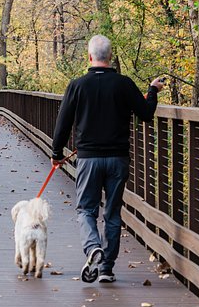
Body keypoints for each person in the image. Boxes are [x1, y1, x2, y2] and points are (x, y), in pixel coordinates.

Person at [51, 35, 164, 284]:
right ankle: (106, 269)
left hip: (88, 159)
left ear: (89, 57)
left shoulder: (77, 85)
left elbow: (63, 122)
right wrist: (152, 91)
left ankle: (93, 247)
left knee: (86, 210)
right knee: (112, 213)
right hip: (117, 159)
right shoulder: (124, 84)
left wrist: (56, 153)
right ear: (110, 57)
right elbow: (146, 113)